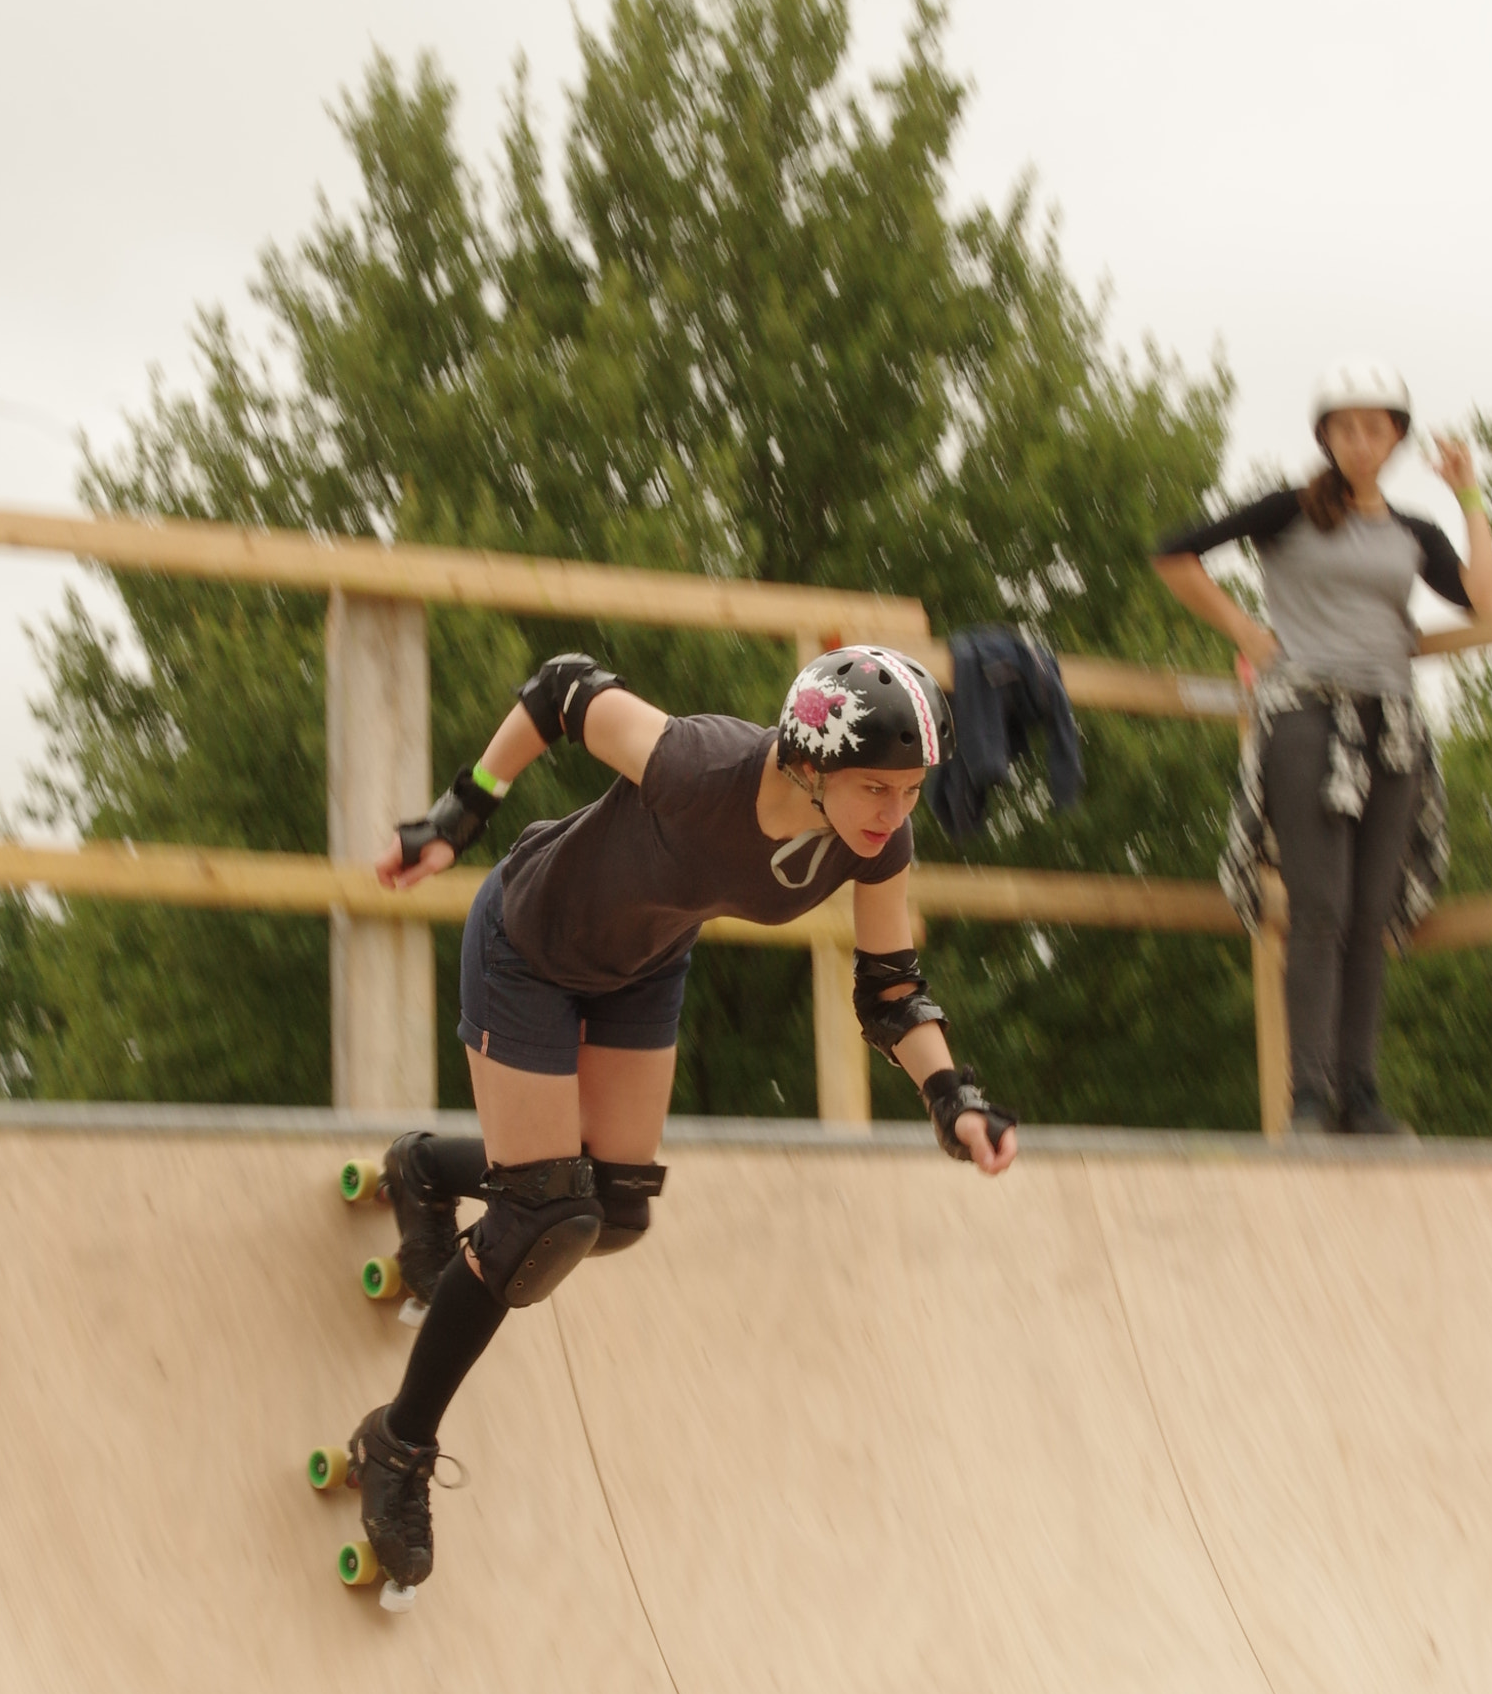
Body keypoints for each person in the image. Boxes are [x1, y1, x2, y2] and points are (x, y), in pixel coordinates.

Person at [348, 643, 1018, 1596]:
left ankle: (423, 1175)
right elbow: (562, 686)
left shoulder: (880, 843)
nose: (892, 816)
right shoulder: (698, 765)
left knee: (613, 1212)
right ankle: (399, 1442)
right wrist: (461, 812)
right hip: (529, 945)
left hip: (644, 968)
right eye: (876, 788)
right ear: (810, 757)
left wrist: (954, 1100)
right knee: (542, 1220)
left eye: (911, 792)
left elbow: (891, 991)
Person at [1150, 362, 1492, 1137]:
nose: (1360, 442)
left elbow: (1482, 598)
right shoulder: (1288, 512)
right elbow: (1175, 553)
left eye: (1375, 429)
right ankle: (1309, 1096)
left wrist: (1468, 493)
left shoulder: (1413, 532)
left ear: (1397, 439)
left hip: (1393, 725)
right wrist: (1244, 630)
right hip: (1307, 717)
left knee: (1372, 914)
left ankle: (1361, 1096)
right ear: (1327, 439)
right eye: (1345, 429)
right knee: (1320, 909)